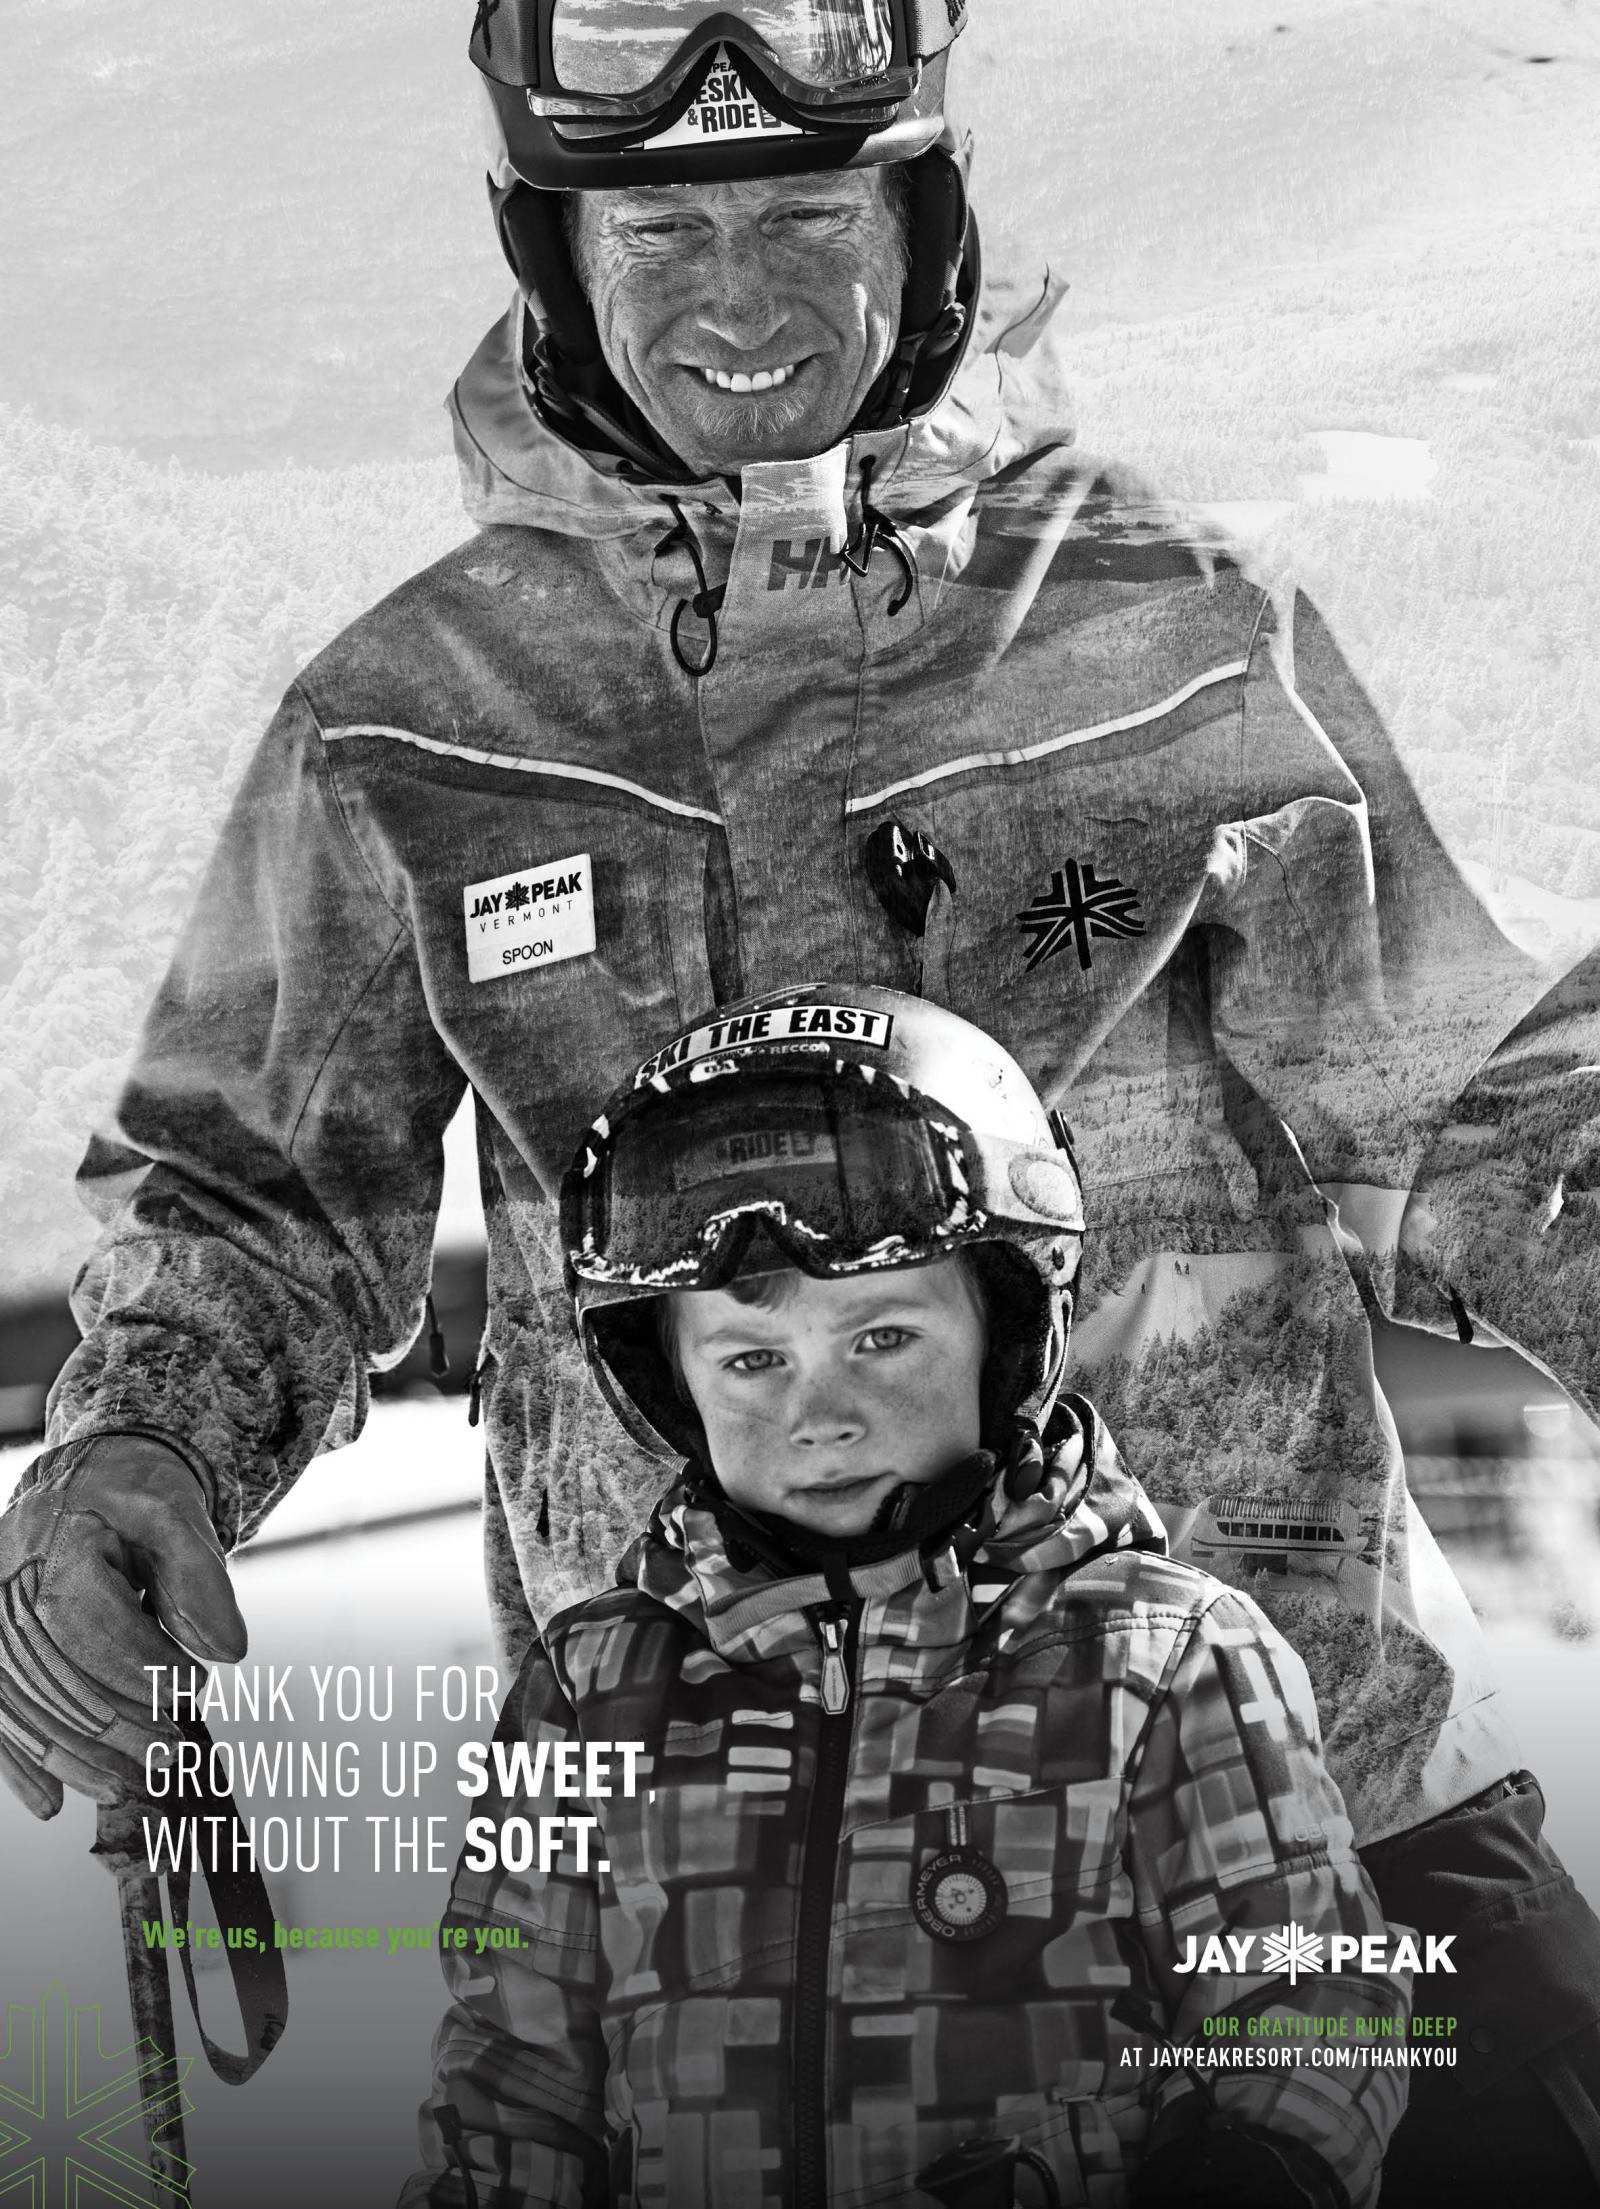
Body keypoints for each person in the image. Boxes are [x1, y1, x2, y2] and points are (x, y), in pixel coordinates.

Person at [0, 3, 1596, 2196]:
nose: (736, 299)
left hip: (1299, 1803)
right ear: (554, 256)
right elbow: (254, 1197)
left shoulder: (1174, 635)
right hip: (719, 1904)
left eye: (803, 218)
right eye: (660, 236)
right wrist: (138, 1448)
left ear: (921, 225)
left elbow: (1478, 1110)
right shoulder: (413, 725)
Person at [404, 984, 1410, 2209]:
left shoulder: (1163, 1657)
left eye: (882, 1338)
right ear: (666, 1384)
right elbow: (511, 2078)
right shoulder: (591, 1689)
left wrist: (1255, 2175)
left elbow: (1314, 2005)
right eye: (751, 1360)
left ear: (1006, 1336)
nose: (818, 1415)